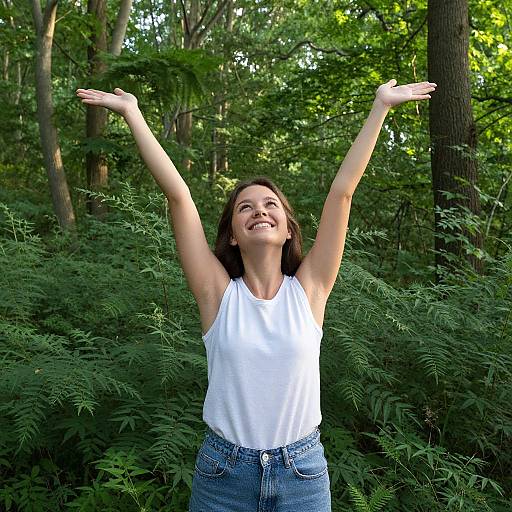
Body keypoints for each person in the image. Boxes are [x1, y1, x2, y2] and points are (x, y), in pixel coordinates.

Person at [76, 78, 436, 511]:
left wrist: (379, 107)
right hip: (223, 476)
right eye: (245, 207)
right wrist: (133, 112)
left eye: (270, 205)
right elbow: (178, 197)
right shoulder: (217, 296)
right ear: (232, 233)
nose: (259, 210)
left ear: (287, 230)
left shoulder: (309, 292)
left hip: (302, 474)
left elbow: (342, 194)